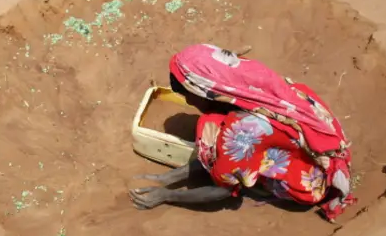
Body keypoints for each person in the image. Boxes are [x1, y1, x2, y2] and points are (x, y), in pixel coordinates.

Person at [129, 43, 357, 222]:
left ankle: (261, 185)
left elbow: (222, 191)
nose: (189, 102)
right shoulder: (249, 79)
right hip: (325, 144)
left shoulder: (242, 131)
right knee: (224, 142)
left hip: (310, 182)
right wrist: (168, 177)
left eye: (188, 97)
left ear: (204, 93)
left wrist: (167, 195)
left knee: (221, 148)